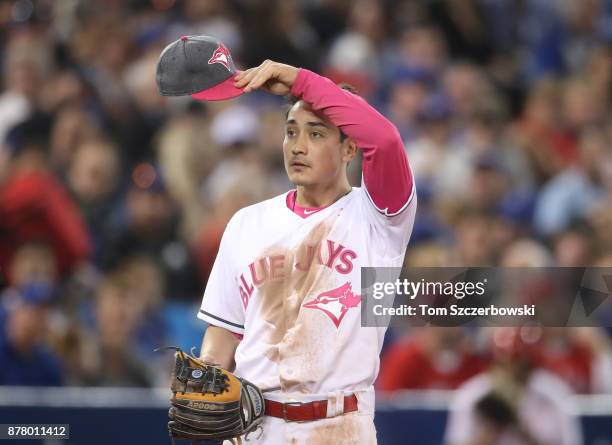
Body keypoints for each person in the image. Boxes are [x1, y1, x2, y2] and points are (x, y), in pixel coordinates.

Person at [196, 60, 416, 443]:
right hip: (253, 428)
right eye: (291, 132)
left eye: (316, 134)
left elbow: (385, 140)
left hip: (339, 426)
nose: (298, 146)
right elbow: (226, 329)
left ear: (349, 147)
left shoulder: (380, 218)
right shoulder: (247, 223)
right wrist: (208, 377)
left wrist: (301, 81)